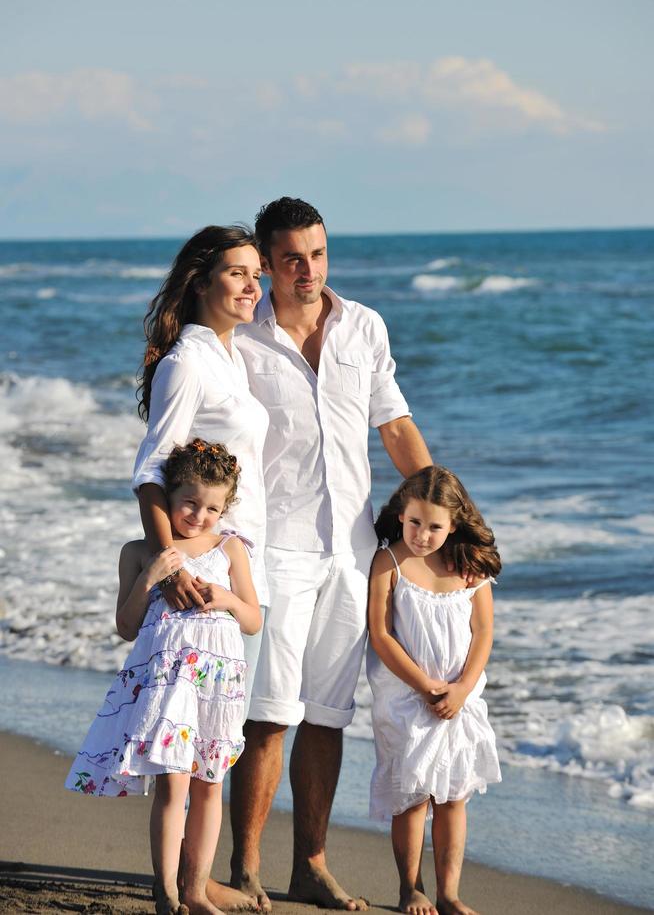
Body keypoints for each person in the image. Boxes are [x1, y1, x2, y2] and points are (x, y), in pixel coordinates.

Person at [227, 197, 433, 911]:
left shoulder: (363, 326)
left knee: (326, 714)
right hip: (272, 551)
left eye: (316, 254)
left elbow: (395, 424)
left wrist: (443, 512)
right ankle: (245, 866)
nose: (306, 270)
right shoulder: (239, 338)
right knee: (268, 716)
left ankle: (309, 865)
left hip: (352, 552)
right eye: (290, 258)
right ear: (265, 260)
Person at [65, 439, 262, 915]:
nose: (199, 515)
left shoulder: (230, 548)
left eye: (212, 507)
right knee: (174, 783)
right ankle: (169, 891)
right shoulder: (137, 552)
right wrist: (151, 575)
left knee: (210, 783)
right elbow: (125, 626)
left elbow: (253, 618)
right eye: (189, 502)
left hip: (218, 685)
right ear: (167, 498)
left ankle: (196, 889)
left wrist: (228, 600)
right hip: (169, 685)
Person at [133, 225, 269, 719]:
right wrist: (172, 567)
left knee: (214, 744)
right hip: (202, 577)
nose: (253, 286)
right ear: (201, 282)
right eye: (238, 274)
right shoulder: (187, 362)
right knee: (192, 750)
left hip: (238, 568)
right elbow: (151, 468)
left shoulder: (231, 357)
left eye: (257, 275)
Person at [367, 465, 502, 915]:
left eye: (435, 527)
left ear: (455, 523)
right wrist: (425, 686)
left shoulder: (468, 568)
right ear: (401, 515)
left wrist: (462, 688)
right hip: (407, 696)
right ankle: (411, 888)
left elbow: (483, 632)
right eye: (415, 523)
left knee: (453, 795)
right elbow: (381, 634)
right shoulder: (390, 562)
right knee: (413, 794)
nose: (423, 535)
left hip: (459, 700)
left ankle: (449, 893)